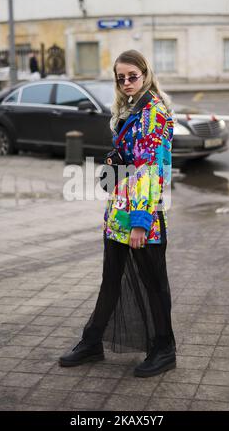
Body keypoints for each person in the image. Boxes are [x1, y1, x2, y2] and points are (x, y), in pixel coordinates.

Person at [59, 49, 177, 378]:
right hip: (118, 215)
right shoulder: (129, 109)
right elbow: (128, 162)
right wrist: (113, 167)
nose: (126, 82)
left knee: (155, 285)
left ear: (145, 74)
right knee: (110, 281)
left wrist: (140, 224)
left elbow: (152, 171)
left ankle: (164, 349)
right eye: (120, 77)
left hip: (144, 219)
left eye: (132, 76)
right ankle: (93, 341)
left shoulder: (153, 112)